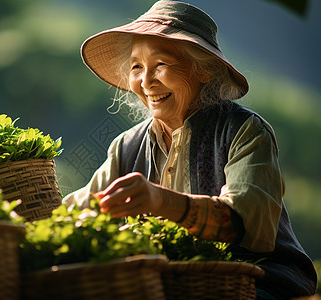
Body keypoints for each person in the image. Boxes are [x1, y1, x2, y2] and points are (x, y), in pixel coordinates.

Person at [63, 1, 317, 299]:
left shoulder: (244, 131)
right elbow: (76, 209)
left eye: (161, 65)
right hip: (172, 285)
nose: (145, 82)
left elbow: (247, 222)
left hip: (256, 283)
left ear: (204, 70)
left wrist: (161, 200)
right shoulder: (127, 147)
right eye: (136, 67)